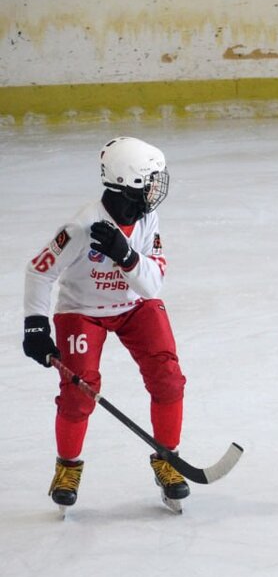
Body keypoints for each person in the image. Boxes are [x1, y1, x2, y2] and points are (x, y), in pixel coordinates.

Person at [23, 136, 190, 511]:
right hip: (82, 311)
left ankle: (168, 460)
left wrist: (125, 255)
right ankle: (67, 467)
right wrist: (35, 325)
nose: (153, 188)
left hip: (135, 308)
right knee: (79, 392)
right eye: (148, 180)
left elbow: (152, 283)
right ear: (129, 183)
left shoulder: (148, 219)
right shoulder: (81, 226)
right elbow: (39, 270)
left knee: (168, 379)